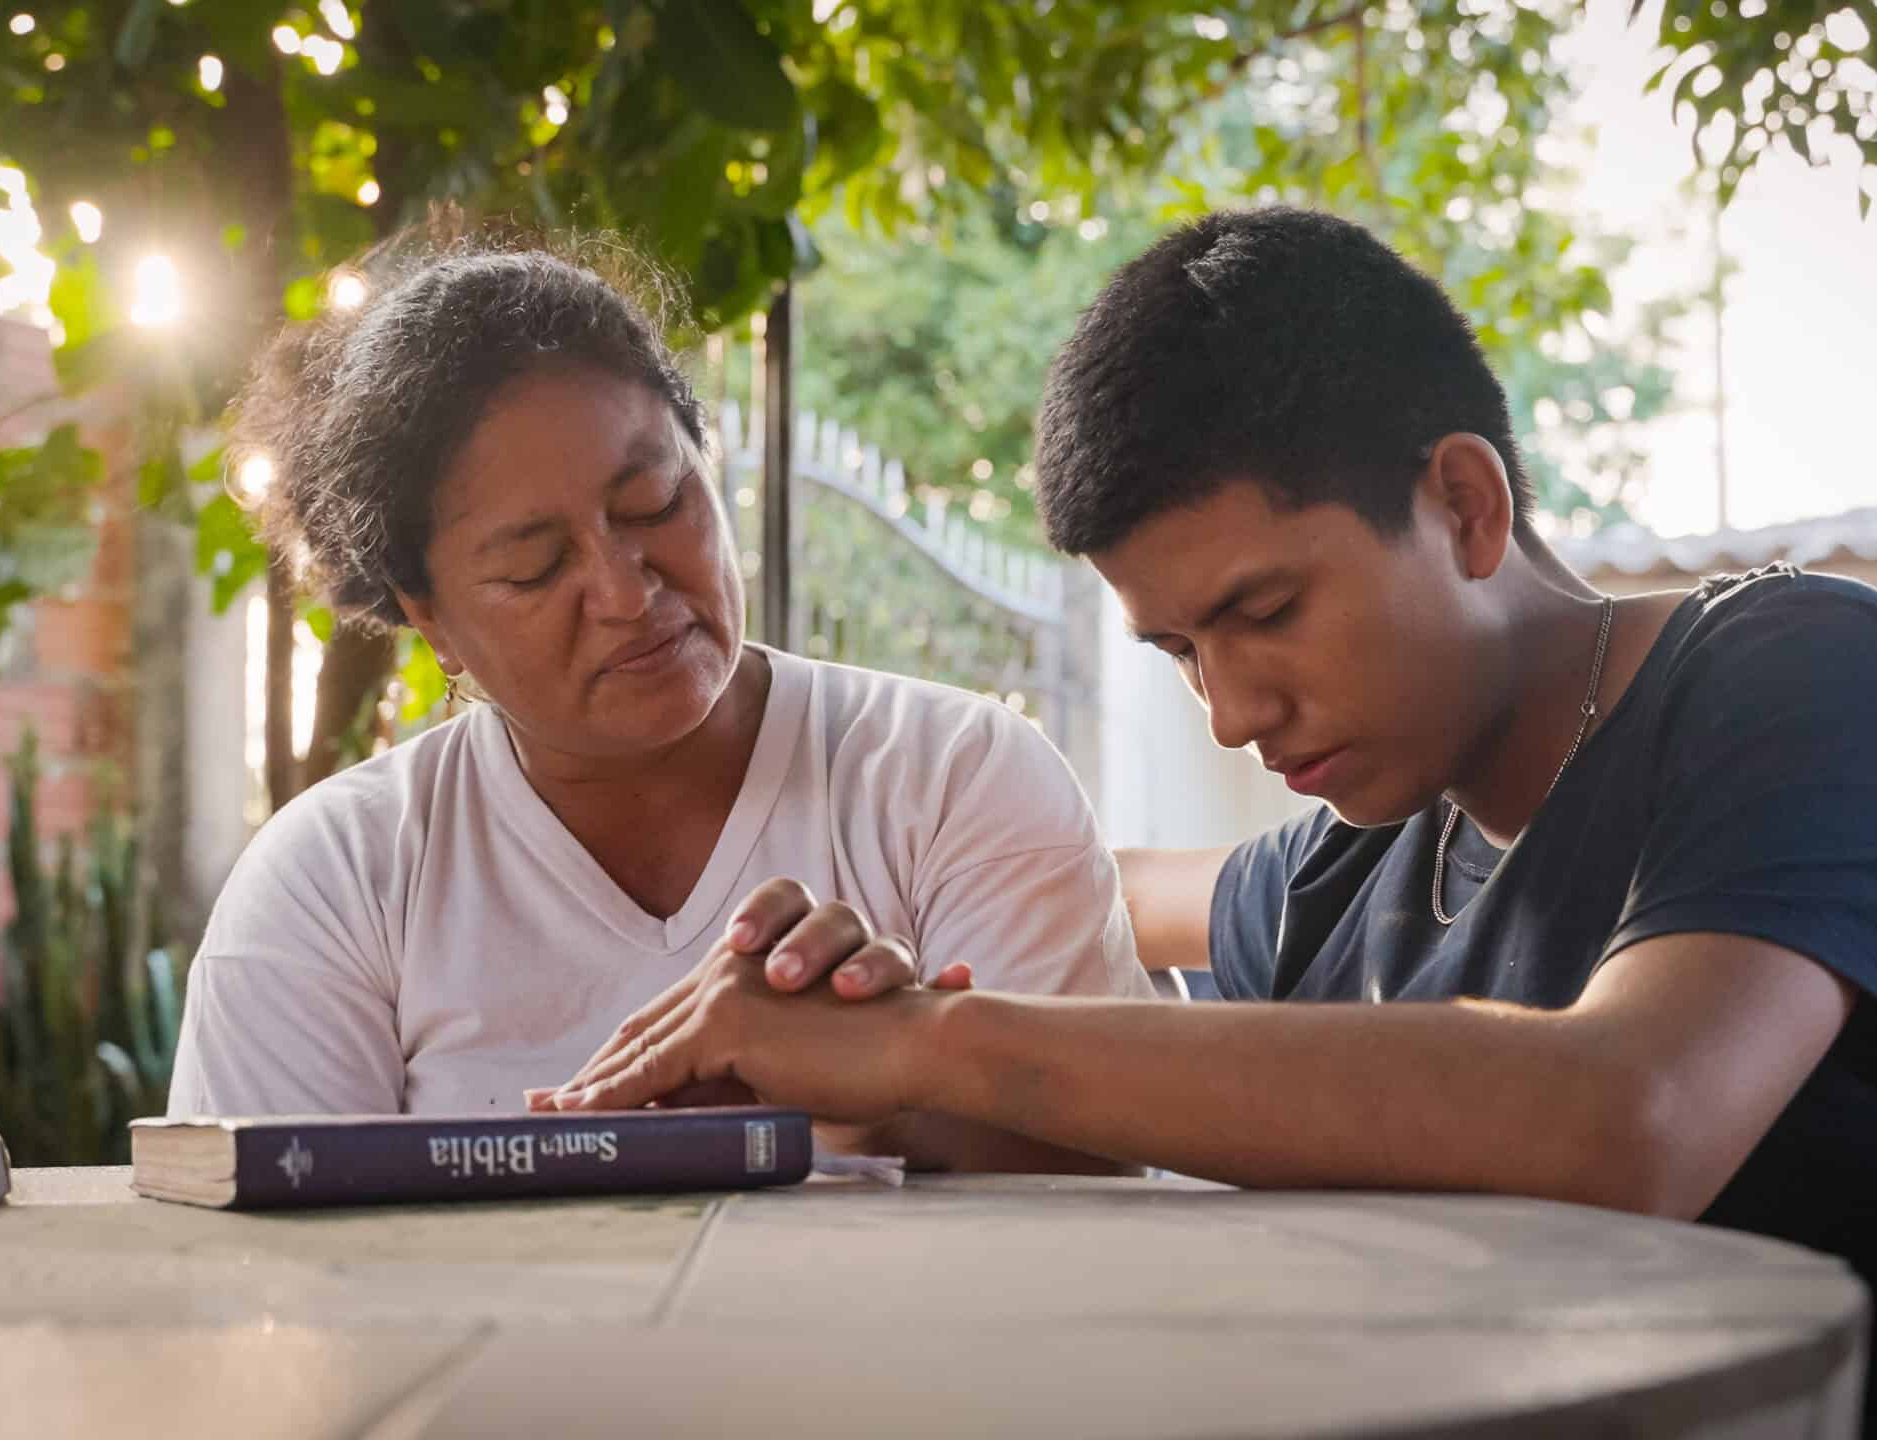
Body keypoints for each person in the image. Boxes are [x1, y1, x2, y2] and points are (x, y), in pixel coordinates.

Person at [536, 207, 1877, 1436]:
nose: (1234, 710)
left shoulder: (1795, 672)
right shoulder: (1340, 884)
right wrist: (853, 1042)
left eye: (1267, 609)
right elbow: (1134, 928)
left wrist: (941, 1051)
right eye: (1183, 650)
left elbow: (1626, 1122)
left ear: (1466, 504)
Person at [165, 221, 1149, 1173]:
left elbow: (1102, 1176)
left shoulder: (951, 780)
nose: (628, 592)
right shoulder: (337, 884)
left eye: (656, 504)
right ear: (429, 618)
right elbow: (264, 1275)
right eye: (534, 567)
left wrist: (894, 1083)